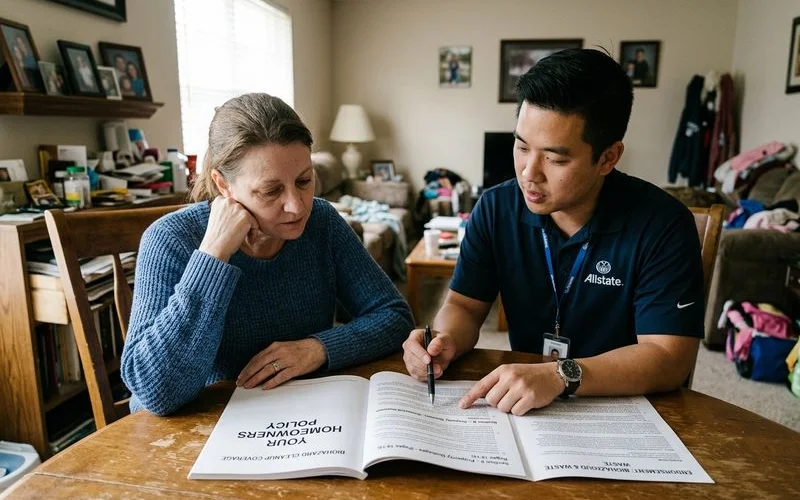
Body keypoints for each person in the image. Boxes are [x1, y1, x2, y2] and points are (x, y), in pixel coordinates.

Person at [402, 48, 704, 416]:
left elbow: (669, 357)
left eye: (555, 158)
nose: (530, 172)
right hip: (526, 406)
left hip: (625, 408)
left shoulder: (663, 224)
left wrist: (562, 375)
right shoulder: (496, 208)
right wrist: (444, 339)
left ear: (608, 157)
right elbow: (464, 305)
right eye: (521, 146)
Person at [121, 93, 414, 416]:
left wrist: (318, 348)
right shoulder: (171, 239)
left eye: (304, 180)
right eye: (271, 191)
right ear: (223, 184)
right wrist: (213, 256)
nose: (297, 205)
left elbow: (394, 316)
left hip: (294, 412)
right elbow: (156, 393)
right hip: (195, 428)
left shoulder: (322, 222)